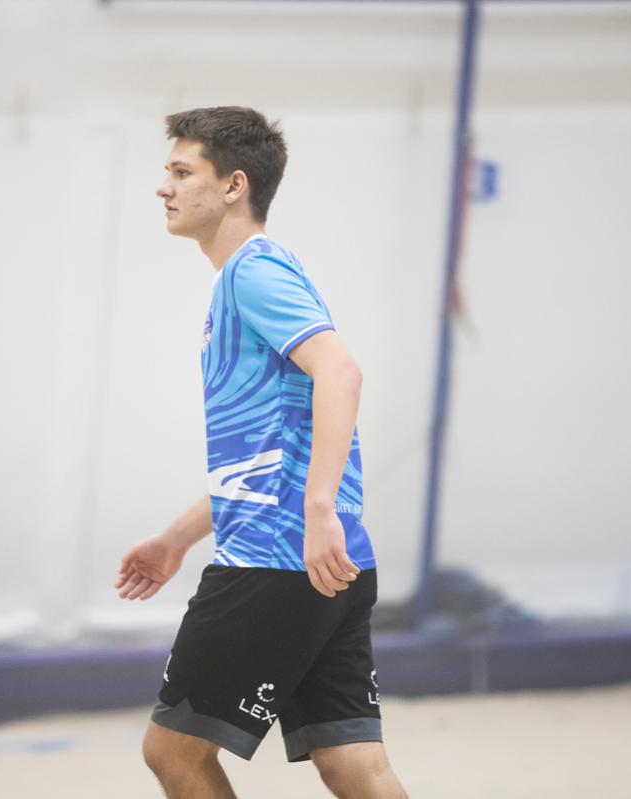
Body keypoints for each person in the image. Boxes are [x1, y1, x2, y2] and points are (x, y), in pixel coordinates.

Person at [115, 106, 407, 799]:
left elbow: (341, 372)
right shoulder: (256, 274)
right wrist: (177, 538)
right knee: (351, 763)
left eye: (182, 171)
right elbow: (264, 456)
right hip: (330, 562)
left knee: (172, 751)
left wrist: (318, 509)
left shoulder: (253, 272)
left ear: (233, 185)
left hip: (273, 562)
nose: (163, 187)